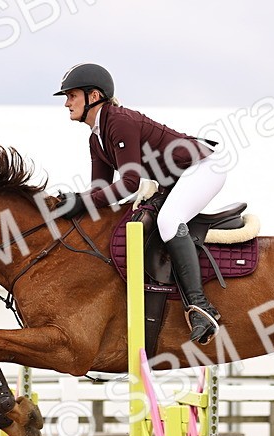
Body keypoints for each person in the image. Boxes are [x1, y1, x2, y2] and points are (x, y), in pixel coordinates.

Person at [53, 63, 225, 344]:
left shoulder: (119, 122)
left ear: (93, 96)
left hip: (203, 168)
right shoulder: (97, 139)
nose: (67, 103)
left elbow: (130, 183)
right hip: (176, 179)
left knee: (169, 221)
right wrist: (75, 201)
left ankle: (200, 307)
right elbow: (100, 191)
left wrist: (82, 202)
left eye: (71, 96)